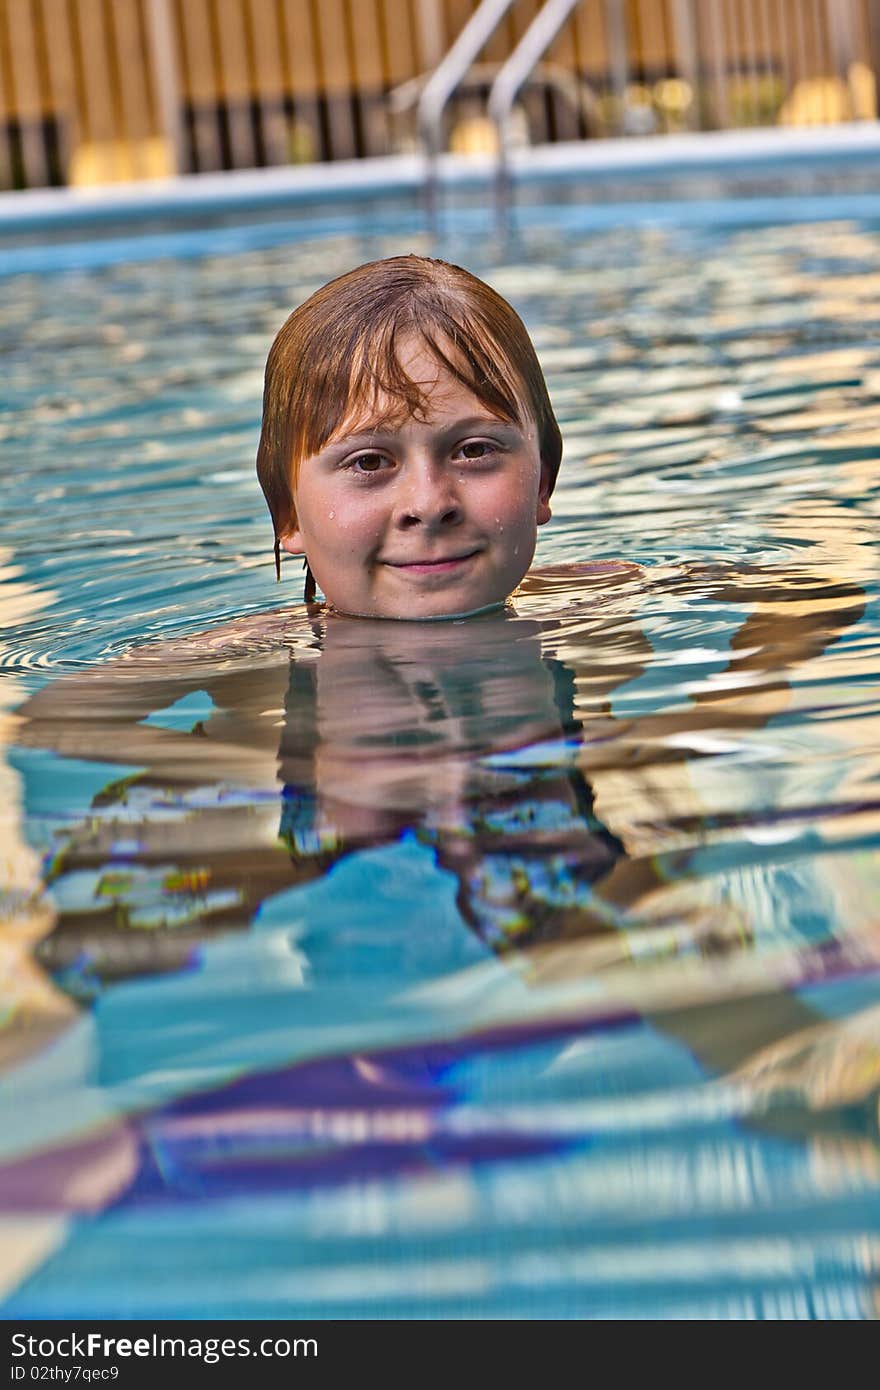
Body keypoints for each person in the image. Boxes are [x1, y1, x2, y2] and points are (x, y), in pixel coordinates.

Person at [255, 253, 561, 617]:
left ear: (541, 483)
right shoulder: (222, 666)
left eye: (474, 450)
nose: (429, 505)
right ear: (289, 513)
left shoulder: (615, 618)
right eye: (369, 462)